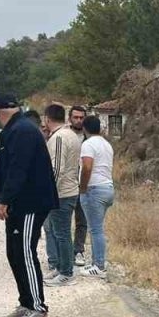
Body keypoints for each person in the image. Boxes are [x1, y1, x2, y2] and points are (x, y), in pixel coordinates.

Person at [0, 92, 58, 317]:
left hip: (30, 204)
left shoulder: (22, 131)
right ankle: (26, 302)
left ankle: (38, 308)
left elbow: (18, 170)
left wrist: (3, 201)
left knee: (25, 252)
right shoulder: (15, 129)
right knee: (14, 252)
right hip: (18, 205)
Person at [41, 104, 81, 286]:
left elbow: (57, 168)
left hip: (61, 193)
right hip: (69, 190)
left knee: (62, 233)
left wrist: (48, 192)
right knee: (59, 232)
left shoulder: (58, 138)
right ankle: (61, 268)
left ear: (47, 119)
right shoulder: (71, 135)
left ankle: (66, 272)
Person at [78, 115, 114, 277]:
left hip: (94, 189)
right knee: (97, 227)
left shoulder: (88, 144)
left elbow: (87, 167)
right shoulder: (107, 145)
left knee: (95, 229)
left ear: (85, 129)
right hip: (107, 187)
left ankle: (99, 265)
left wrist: (83, 187)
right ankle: (96, 262)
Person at [68, 105, 89, 267]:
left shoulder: (90, 138)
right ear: (70, 118)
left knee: (82, 220)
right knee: (63, 221)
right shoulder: (64, 135)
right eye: (76, 117)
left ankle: (78, 250)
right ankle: (64, 252)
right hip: (67, 184)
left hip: (84, 184)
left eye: (81, 118)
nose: (78, 120)